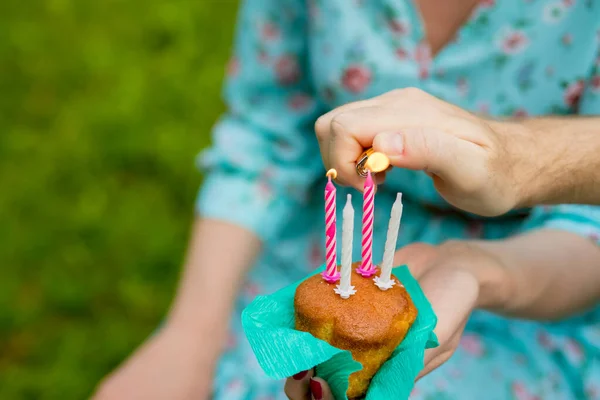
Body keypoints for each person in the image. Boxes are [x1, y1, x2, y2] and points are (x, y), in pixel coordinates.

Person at [94, 1, 600, 399]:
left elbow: (588, 229)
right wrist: (189, 337)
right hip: (321, 251)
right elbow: (265, 134)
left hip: (533, 279)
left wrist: (474, 267)